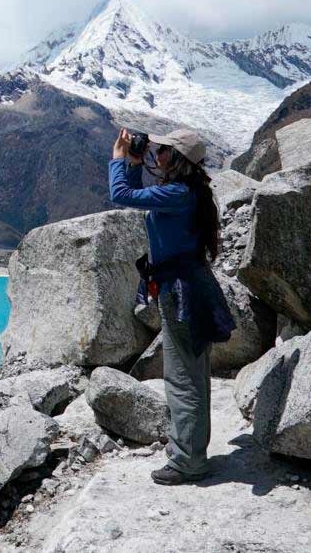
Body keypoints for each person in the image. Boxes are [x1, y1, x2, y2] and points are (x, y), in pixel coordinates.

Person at [108, 127, 234, 485]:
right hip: (184, 285)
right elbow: (136, 196)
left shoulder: (178, 193)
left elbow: (121, 195)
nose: (157, 155)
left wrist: (119, 161)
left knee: (182, 378)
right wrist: (135, 163)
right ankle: (189, 448)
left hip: (181, 292)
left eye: (163, 151)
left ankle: (189, 461)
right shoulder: (186, 191)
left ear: (178, 159)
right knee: (190, 373)